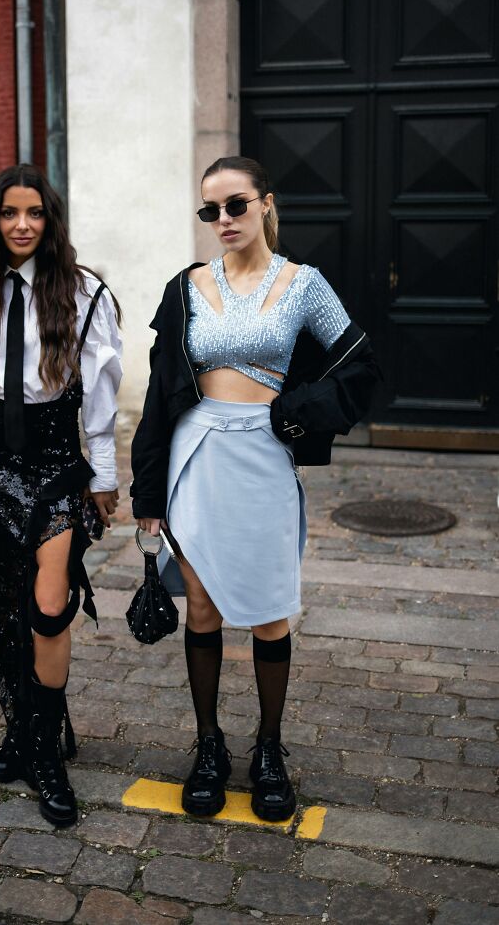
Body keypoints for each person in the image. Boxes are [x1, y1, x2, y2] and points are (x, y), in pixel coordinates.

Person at [131, 156, 380, 822]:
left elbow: (361, 365)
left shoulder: (304, 285)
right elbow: (160, 395)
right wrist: (147, 497)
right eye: (210, 211)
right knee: (203, 608)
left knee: (272, 609)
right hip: (198, 455)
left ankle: (269, 748)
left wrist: (295, 411)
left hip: (266, 455)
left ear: (265, 203)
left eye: (235, 205)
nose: (224, 221)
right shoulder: (184, 286)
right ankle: (208, 745)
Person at [0, 164, 122, 826]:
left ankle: (45, 754)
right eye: (10, 213)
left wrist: (103, 476)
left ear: (51, 219)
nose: (22, 224)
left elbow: (99, 403)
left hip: (52, 467)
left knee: (48, 607)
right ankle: (28, 724)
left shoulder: (85, 294)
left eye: (35, 213)